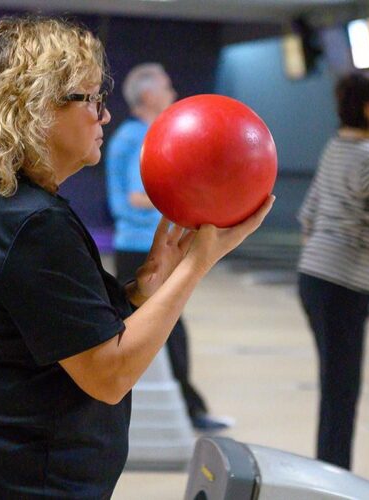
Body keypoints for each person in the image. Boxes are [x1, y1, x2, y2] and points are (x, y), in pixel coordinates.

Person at [0, 16, 273, 499]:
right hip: (22, 485)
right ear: (37, 109)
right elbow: (108, 375)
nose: (104, 116)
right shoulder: (33, 224)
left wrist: (144, 288)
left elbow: (58, 334)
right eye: (89, 99)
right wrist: (200, 263)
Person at [106, 62, 229, 432]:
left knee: (165, 327)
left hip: (142, 244)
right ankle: (190, 409)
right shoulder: (138, 136)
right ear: (148, 96)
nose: (173, 94)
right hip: (141, 245)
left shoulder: (137, 134)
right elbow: (136, 196)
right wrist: (190, 196)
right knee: (164, 327)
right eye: (166, 87)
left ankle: (189, 406)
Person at [296, 68, 369, 470]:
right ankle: (333, 476)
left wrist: (322, 262)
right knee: (342, 388)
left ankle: (331, 470)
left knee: (335, 384)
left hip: (313, 279)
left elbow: (308, 216)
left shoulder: (335, 148)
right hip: (343, 286)